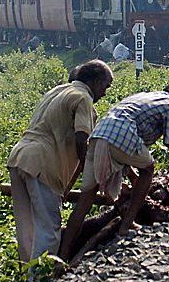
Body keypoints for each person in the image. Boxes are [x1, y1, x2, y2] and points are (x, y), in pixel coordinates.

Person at [59, 85, 169, 258]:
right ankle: (127, 224)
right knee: (149, 169)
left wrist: (132, 176)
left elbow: (125, 149)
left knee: (85, 201)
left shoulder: (144, 96)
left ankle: (63, 254)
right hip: (120, 134)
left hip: (99, 136)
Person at [7, 61, 112, 263]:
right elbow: (82, 138)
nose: (105, 93)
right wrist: (93, 172)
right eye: (105, 86)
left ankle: (25, 278)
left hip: (20, 156)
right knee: (48, 229)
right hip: (43, 163)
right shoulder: (83, 98)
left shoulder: (58, 90)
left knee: (26, 226)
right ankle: (40, 280)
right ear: (96, 81)